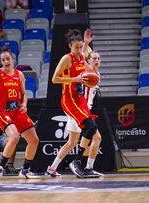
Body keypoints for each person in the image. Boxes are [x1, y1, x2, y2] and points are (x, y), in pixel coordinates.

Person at [51, 29, 102, 178]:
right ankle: (76, 162)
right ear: (70, 46)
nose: (79, 50)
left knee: (80, 139)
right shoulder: (66, 59)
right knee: (91, 127)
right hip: (69, 100)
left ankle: (54, 168)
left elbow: (88, 66)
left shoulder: (81, 58)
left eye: (81, 47)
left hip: (79, 99)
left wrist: (86, 43)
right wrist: (75, 79)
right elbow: (54, 79)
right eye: (76, 47)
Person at [0, 47, 39, 180]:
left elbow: (24, 94)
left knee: (34, 140)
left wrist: (24, 104)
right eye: (3, 60)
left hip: (17, 110)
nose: (5, 61)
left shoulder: (19, 74)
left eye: (7, 59)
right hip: (2, 111)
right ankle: (0, 169)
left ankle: (25, 170)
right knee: (14, 137)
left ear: (12, 59)